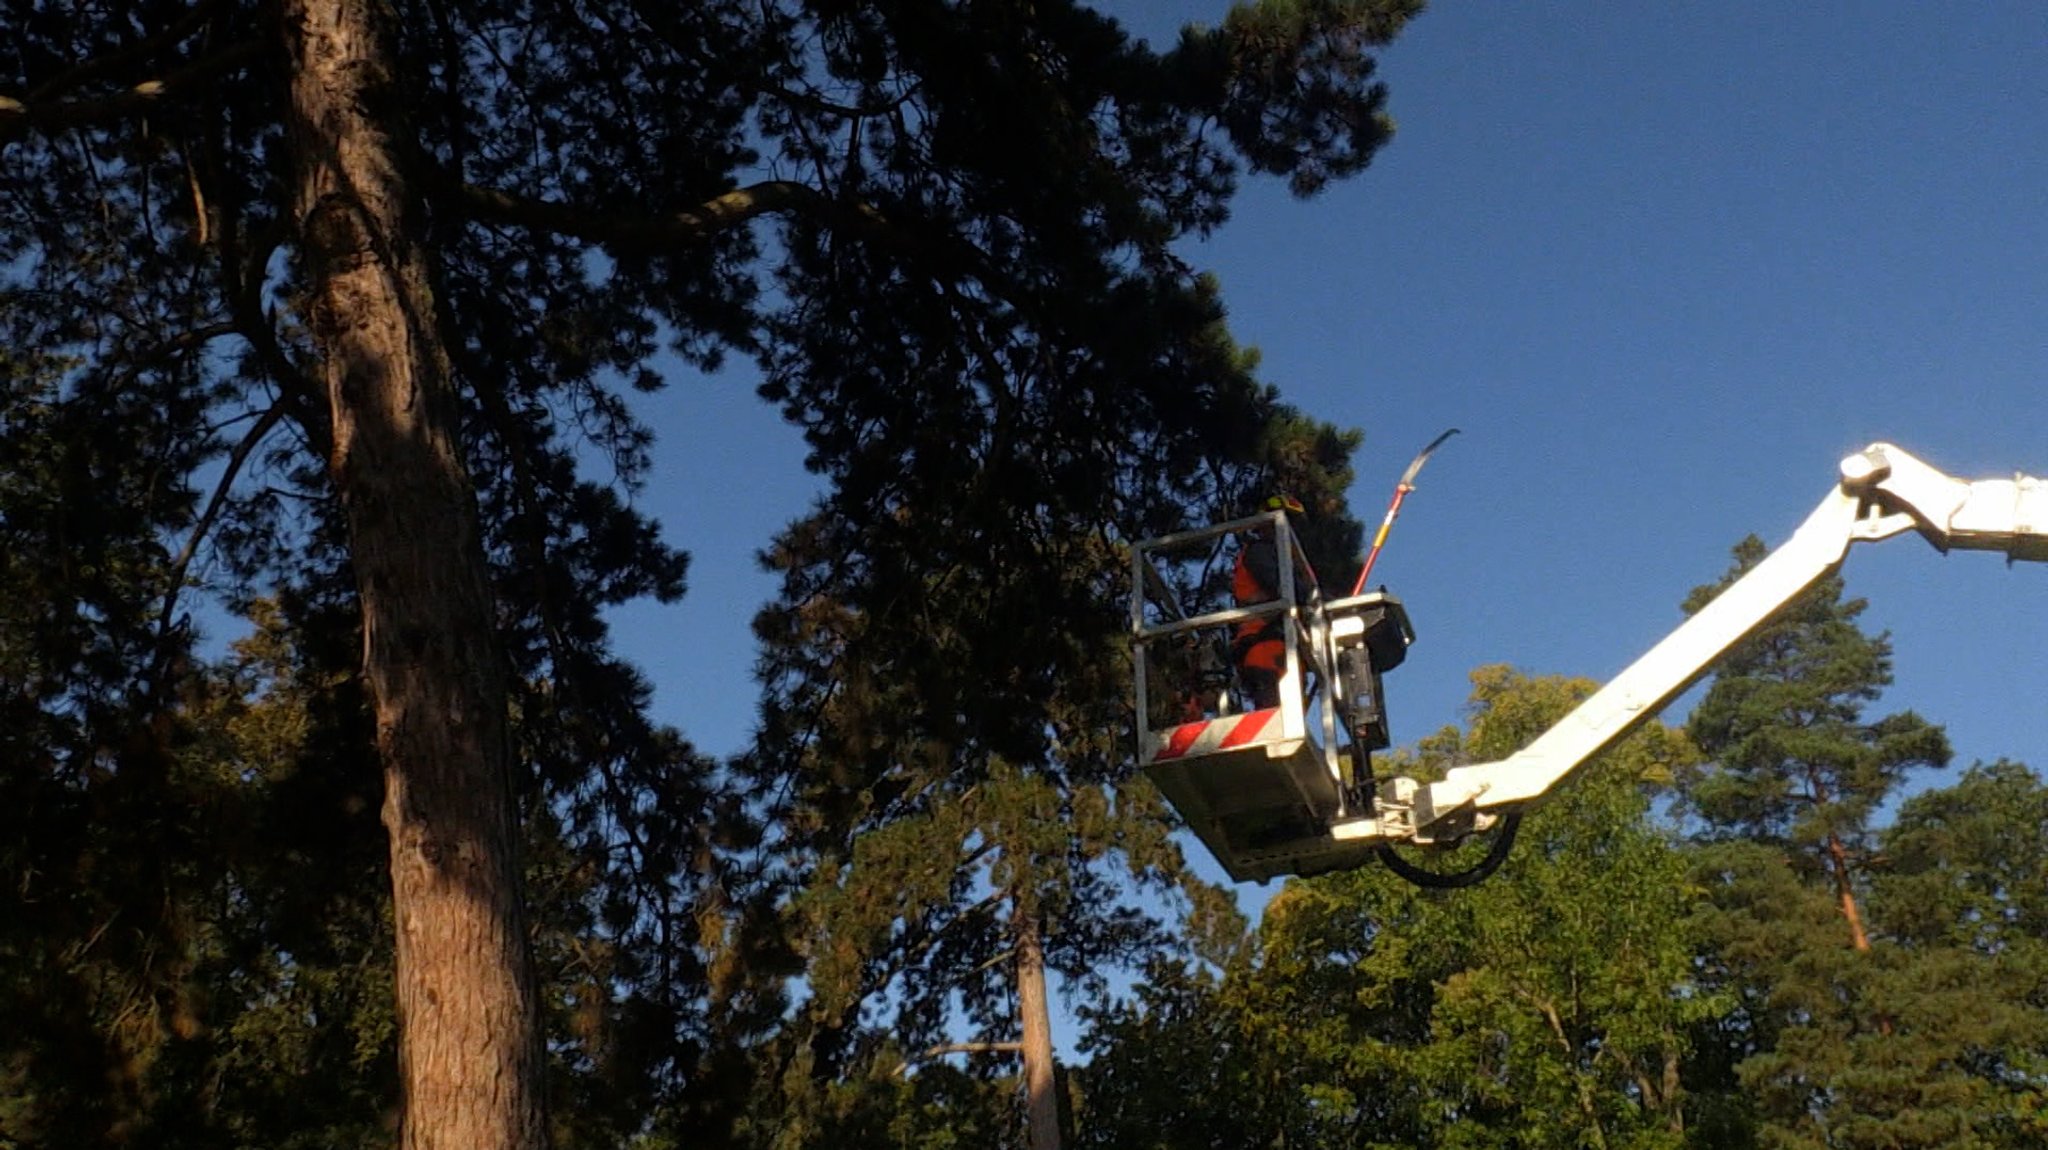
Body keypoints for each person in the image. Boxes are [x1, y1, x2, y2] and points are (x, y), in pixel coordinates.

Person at [1231, 493, 1309, 709]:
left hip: (1280, 649)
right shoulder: (1259, 552)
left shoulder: (1281, 560)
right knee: (1273, 717)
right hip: (1264, 644)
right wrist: (1315, 600)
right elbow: (1281, 585)